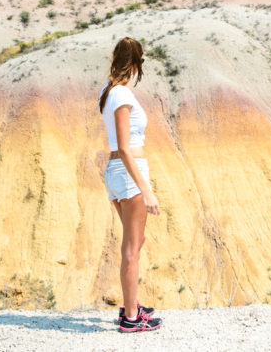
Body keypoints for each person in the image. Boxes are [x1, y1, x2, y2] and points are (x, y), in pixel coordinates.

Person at [98, 36, 162, 333]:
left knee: (134, 242)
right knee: (131, 249)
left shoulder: (107, 92)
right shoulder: (122, 95)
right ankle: (132, 318)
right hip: (127, 171)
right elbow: (124, 147)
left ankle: (131, 304)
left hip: (116, 172)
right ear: (136, 65)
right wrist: (146, 189)